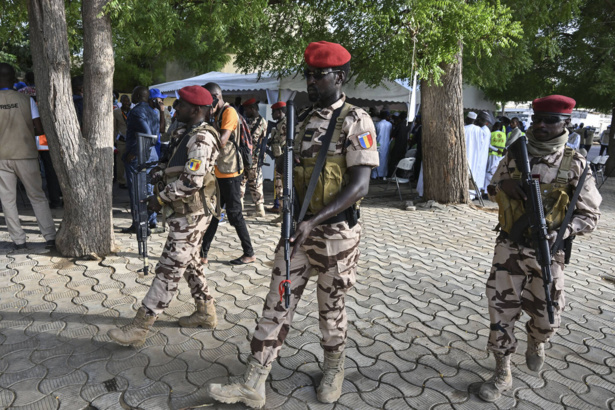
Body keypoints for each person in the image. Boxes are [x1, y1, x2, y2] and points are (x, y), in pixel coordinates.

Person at [208, 40, 378, 408]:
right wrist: (290, 212)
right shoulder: (300, 121)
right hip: (298, 231)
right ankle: (255, 380)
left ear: (341, 76)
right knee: (277, 301)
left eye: (320, 75)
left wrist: (313, 220)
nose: (312, 82)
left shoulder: (355, 120)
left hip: (336, 235)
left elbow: (360, 184)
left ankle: (334, 368)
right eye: (309, 75)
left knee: (331, 309)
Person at [480, 95, 602, 402]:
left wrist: (563, 231)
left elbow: (589, 216)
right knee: (501, 311)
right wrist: (505, 186)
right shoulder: (515, 153)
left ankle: (537, 341)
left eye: (550, 120)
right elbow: (492, 187)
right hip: (509, 247)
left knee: (547, 316)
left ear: (566, 123)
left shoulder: (575, 163)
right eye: (537, 120)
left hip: (549, 252)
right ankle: (502, 370)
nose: (542, 126)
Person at [108, 86, 221, 346]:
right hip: (185, 211)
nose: (175, 107)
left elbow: (192, 181)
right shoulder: (187, 132)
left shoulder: (202, 139)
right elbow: (175, 163)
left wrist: (159, 199)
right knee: (190, 262)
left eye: (180, 104)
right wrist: (160, 172)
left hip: (192, 213)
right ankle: (206, 311)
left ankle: (140, 326)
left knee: (169, 269)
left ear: (196, 110)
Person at [0, 63, 56, 249]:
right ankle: (49, 236)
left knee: (7, 200)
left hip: (2, 156)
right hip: (26, 154)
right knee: (37, 196)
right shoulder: (26, 100)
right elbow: (39, 129)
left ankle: (18, 241)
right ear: (14, 77)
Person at [200, 82, 256, 265]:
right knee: (214, 214)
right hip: (219, 171)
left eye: (209, 101)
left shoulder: (229, 112)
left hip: (230, 172)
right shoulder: (216, 114)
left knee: (235, 214)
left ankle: (249, 253)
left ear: (216, 96)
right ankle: (203, 253)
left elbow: (223, 141)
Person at [122, 86, 159, 234]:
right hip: (151, 156)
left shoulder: (136, 111)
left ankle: (139, 224)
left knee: (137, 192)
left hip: (139, 157)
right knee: (148, 189)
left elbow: (148, 135)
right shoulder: (153, 111)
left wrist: (134, 152)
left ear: (137, 95)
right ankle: (150, 221)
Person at [240, 98, 267, 216]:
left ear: (252, 109)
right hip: (246, 157)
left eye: (246, 109)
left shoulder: (261, 122)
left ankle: (260, 209)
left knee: (254, 183)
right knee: (242, 181)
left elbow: (261, 142)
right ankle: (239, 207)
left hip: (253, 159)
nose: (245, 111)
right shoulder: (249, 121)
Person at [267, 101, 287, 215]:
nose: (272, 114)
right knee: (278, 185)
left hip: (283, 160)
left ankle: (282, 212)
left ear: (279, 112)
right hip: (279, 159)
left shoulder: (285, 124)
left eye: (273, 112)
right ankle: (280, 210)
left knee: (281, 186)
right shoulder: (280, 124)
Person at [464, 111, 488, 199]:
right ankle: (471, 195)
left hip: (465, 156)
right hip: (475, 157)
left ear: (467, 119)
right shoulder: (480, 131)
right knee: (473, 174)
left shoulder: (463, 128)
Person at [113, 94, 131, 189]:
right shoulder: (116, 112)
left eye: (127, 101)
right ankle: (121, 181)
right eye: (124, 101)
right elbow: (114, 127)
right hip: (121, 141)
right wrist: (113, 141)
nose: (126, 103)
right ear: (121, 102)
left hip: (131, 141)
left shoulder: (132, 112)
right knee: (120, 162)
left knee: (131, 161)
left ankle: (130, 180)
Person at [483, 121, 506, 193]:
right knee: (495, 172)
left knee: (489, 172)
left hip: (492, 154)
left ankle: (487, 190)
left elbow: (488, 145)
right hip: (500, 156)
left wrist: (496, 149)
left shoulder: (492, 134)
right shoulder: (504, 135)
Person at [371, 110, 392, 179]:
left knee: (377, 158)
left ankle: (375, 174)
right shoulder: (390, 124)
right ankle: (383, 174)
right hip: (386, 144)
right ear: (386, 117)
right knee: (385, 159)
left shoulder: (377, 124)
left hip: (378, 143)